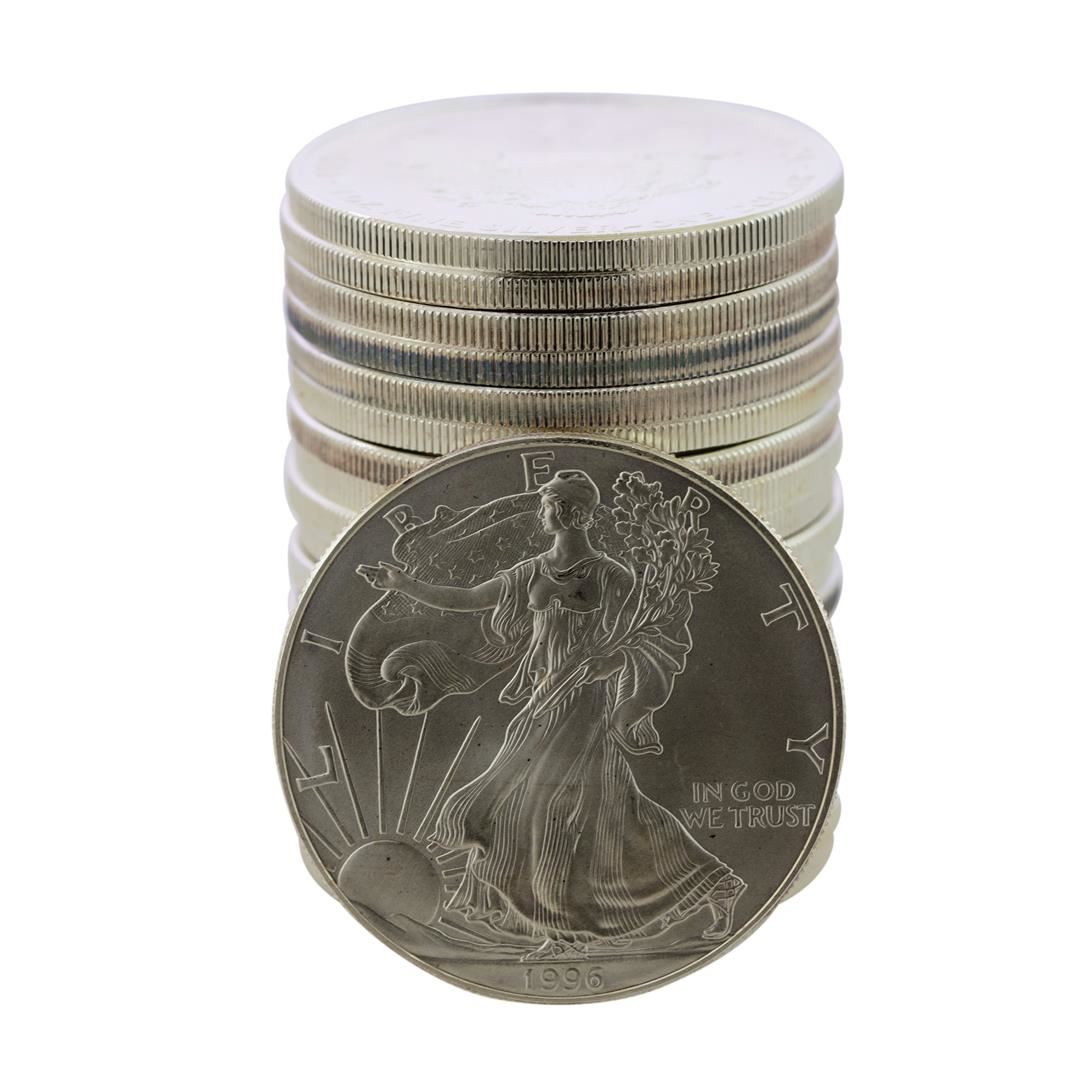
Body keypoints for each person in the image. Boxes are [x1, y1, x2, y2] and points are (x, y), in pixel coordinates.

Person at [359, 469, 744, 957]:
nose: (540, 514)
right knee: (607, 808)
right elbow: (470, 599)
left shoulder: (611, 576)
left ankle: (564, 931)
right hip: (545, 697)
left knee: (544, 805)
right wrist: (404, 584)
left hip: (585, 704)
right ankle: (713, 886)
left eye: (545, 506)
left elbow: (648, 638)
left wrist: (610, 662)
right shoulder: (532, 570)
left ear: (566, 512)